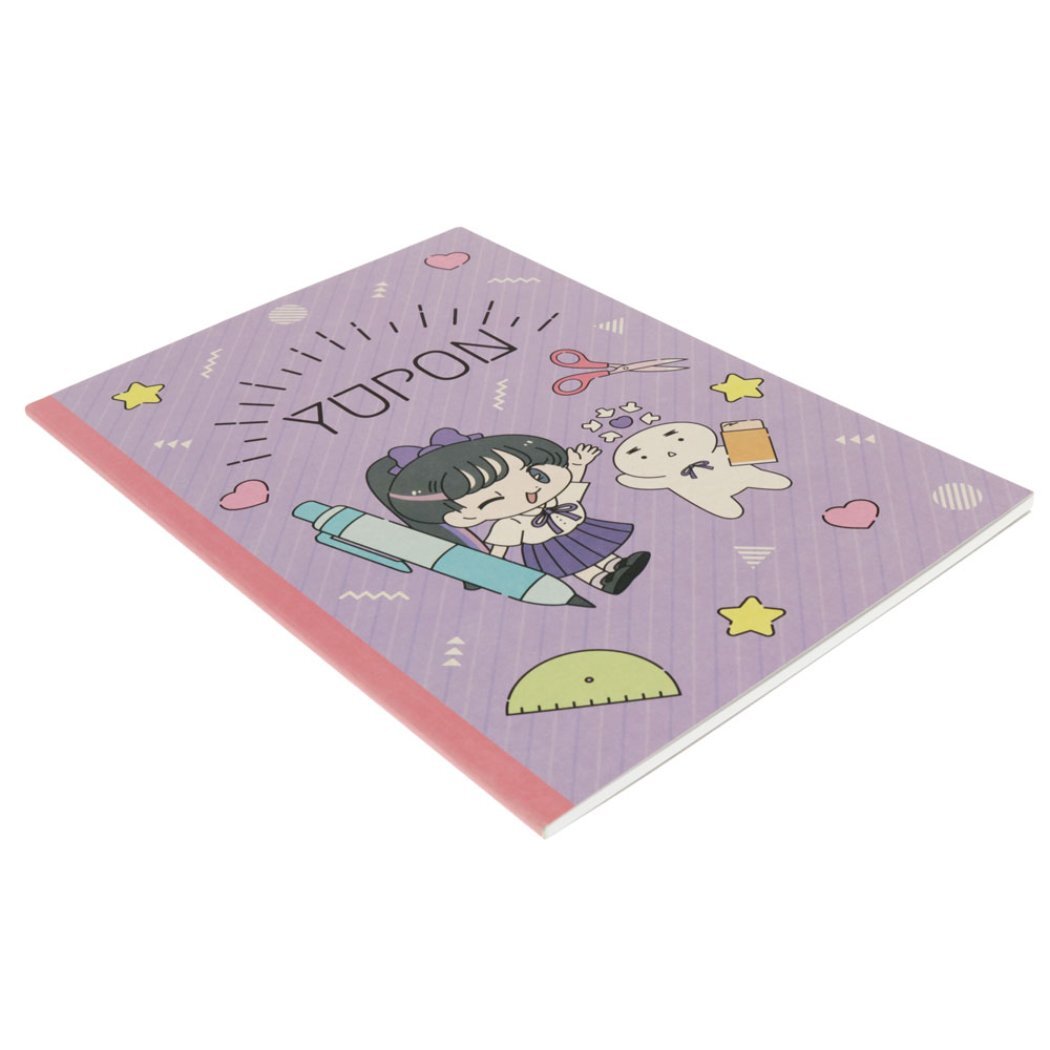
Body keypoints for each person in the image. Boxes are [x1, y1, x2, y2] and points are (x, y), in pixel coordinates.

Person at [366, 427, 649, 595]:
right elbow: (497, 554)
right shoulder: (508, 526)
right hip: (548, 547)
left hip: (575, 531)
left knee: (596, 549)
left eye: (536, 474)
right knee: (579, 565)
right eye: (495, 498)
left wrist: (577, 464)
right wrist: (492, 573)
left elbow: (570, 484)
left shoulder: (554, 500)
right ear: (463, 516)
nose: (531, 490)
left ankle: (618, 565)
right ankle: (603, 581)